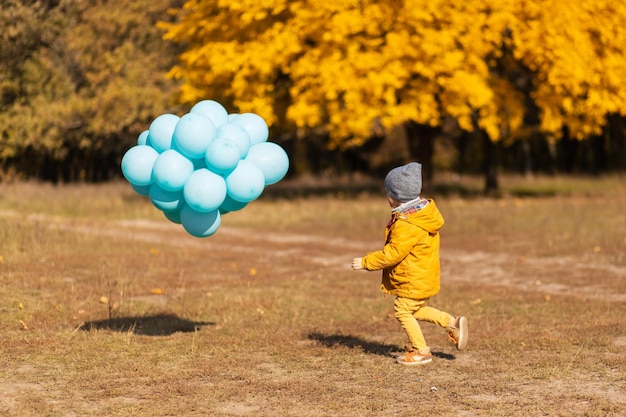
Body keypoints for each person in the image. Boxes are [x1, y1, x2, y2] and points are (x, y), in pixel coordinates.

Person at [351, 162, 468, 365]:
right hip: (424, 276)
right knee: (415, 310)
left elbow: (393, 254)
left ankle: (421, 350)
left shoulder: (407, 224)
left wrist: (365, 262)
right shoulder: (421, 214)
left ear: (394, 195)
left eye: (387, 192)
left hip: (413, 279)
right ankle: (452, 322)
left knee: (402, 310)